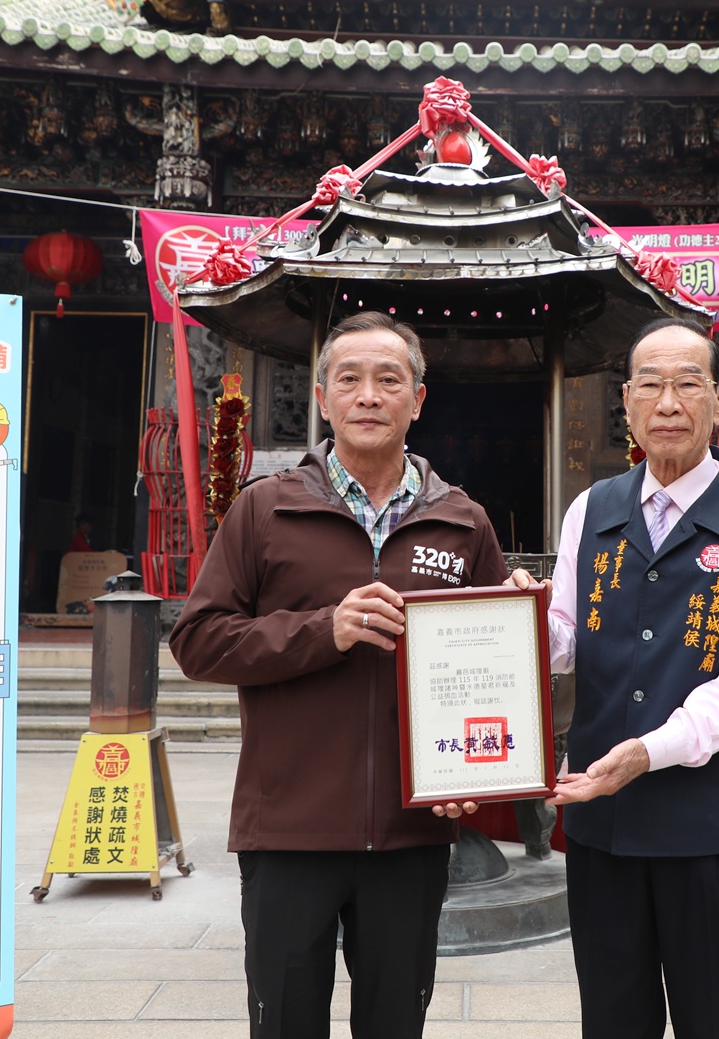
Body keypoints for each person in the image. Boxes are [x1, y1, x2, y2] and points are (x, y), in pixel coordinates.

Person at [169, 311, 507, 1039]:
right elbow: (197, 641)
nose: (369, 395)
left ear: (418, 399)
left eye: (389, 380)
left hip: (411, 836)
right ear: (322, 398)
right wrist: (325, 629)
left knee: (395, 1022)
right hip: (289, 829)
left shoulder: (463, 522)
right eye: (349, 379)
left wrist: (477, 774)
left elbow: (489, 672)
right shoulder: (266, 509)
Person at [510, 317, 719, 1039]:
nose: (667, 403)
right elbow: (568, 640)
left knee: (716, 1022)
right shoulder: (592, 508)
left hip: (712, 832)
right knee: (613, 1020)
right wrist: (520, 623)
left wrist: (652, 749)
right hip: (603, 828)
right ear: (627, 401)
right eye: (649, 384)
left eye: (687, 384)